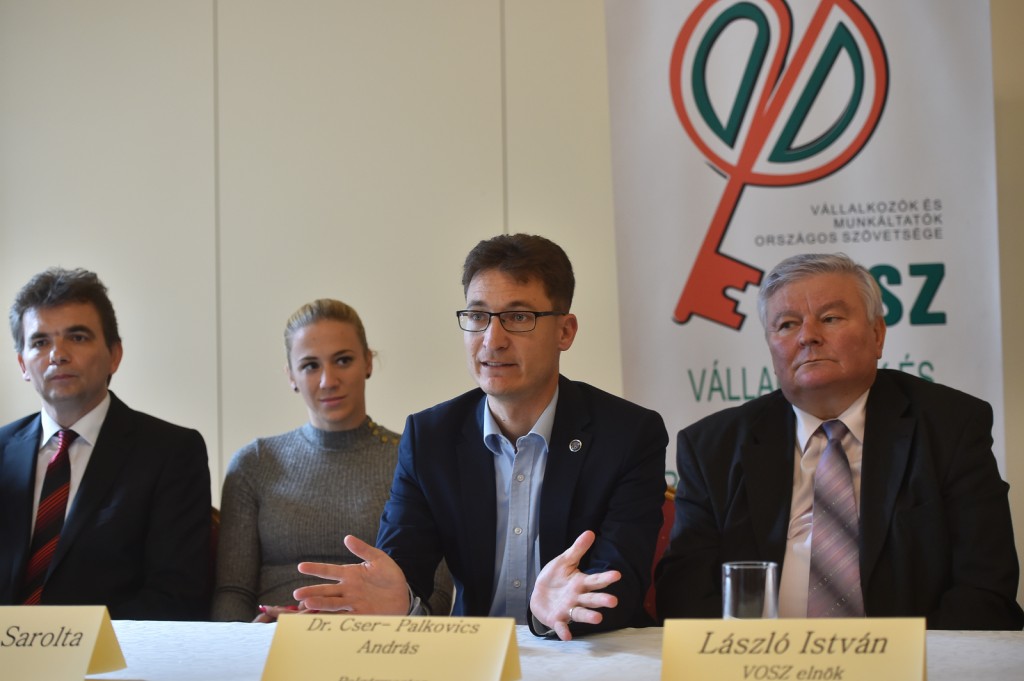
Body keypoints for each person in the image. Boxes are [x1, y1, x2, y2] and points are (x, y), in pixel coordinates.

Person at [291, 233, 668, 640]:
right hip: (474, 653)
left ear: (565, 331)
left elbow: (620, 582)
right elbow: (403, 572)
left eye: (519, 317)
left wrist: (552, 615)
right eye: (477, 316)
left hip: (587, 653)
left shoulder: (628, 435)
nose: (492, 340)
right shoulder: (430, 437)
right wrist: (400, 603)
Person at [655, 252, 1024, 630]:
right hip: (761, 656)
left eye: (830, 318)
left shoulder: (949, 426)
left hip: (912, 657)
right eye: (787, 324)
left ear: (877, 335)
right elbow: (685, 595)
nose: (807, 336)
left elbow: (985, 587)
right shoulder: (713, 447)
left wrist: (905, 658)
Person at [212, 298, 451, 622]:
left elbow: (436, 597)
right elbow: (232, 592)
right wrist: (243, 642)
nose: (328, 380)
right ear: (291, 376)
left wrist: (334, 623)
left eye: (343, 360)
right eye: (310, 365)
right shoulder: (254, 464)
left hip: (378, 640)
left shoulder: (415, 460)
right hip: (270, 638)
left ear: (368, 362)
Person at [0, 267, 212, 620]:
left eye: (77, 337)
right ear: (23, 364)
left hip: (110, 652)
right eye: (40, 342)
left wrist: (67, 642)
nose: (57, 354)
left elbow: (177, 597)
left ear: (114, 354)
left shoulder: (171, 452)